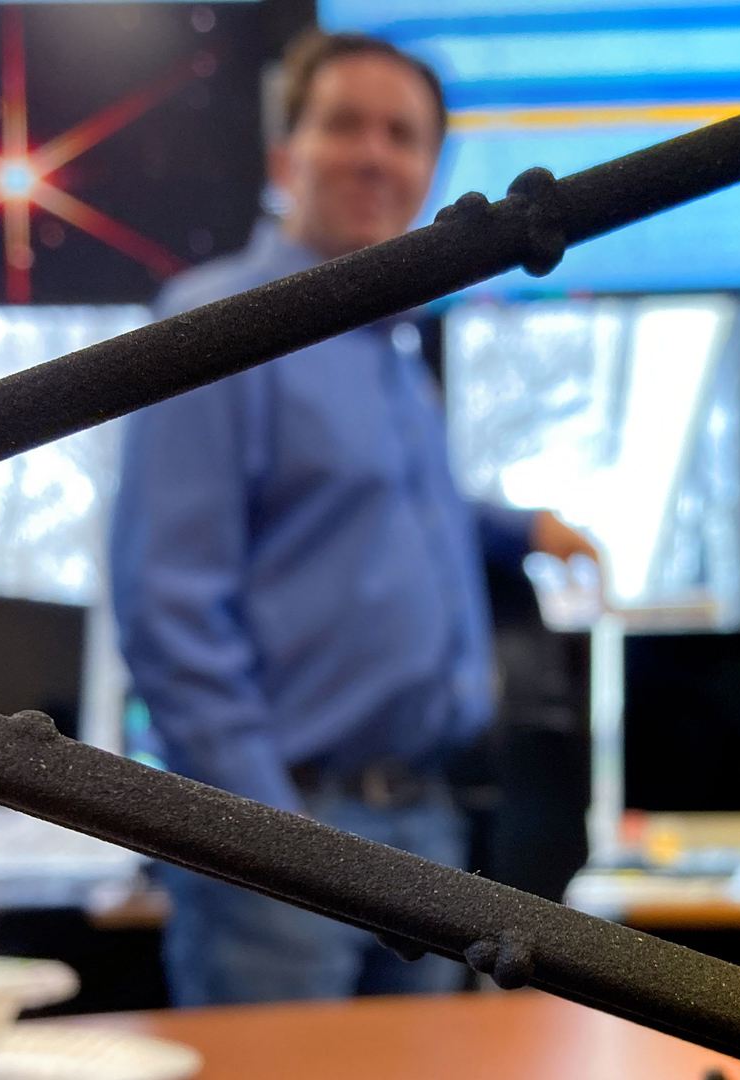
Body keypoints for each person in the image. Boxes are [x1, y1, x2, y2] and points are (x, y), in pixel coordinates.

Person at [109, 29, 595, 1006]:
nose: (375, 153)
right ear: (285, 155)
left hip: (421, 828)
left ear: (429, 173)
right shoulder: (216, 326)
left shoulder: (392, 346)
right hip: (285, 830)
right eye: (345, 125)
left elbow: (378, 505)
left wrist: (517, 527)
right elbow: (167, 607)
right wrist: (266, 829)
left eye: (402, 135)